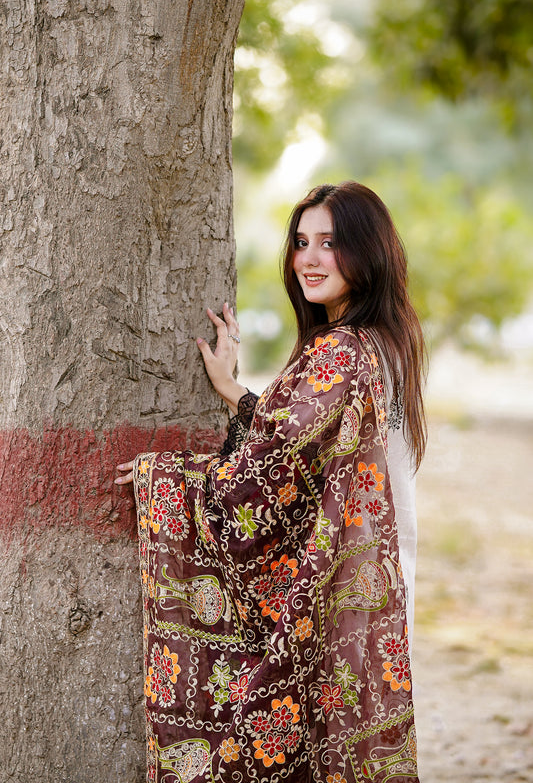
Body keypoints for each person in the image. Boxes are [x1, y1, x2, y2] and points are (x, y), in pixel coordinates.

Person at [115, 181, 426, 783]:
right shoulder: (384, 345)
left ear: (367, 252)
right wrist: (235, 392)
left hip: (335, 591)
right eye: (301, 242)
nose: (309, 259)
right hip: (369, 587)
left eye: (330, 243)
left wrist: (166, 477)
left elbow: (266, 476)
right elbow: (304, 447)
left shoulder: (341, 353)